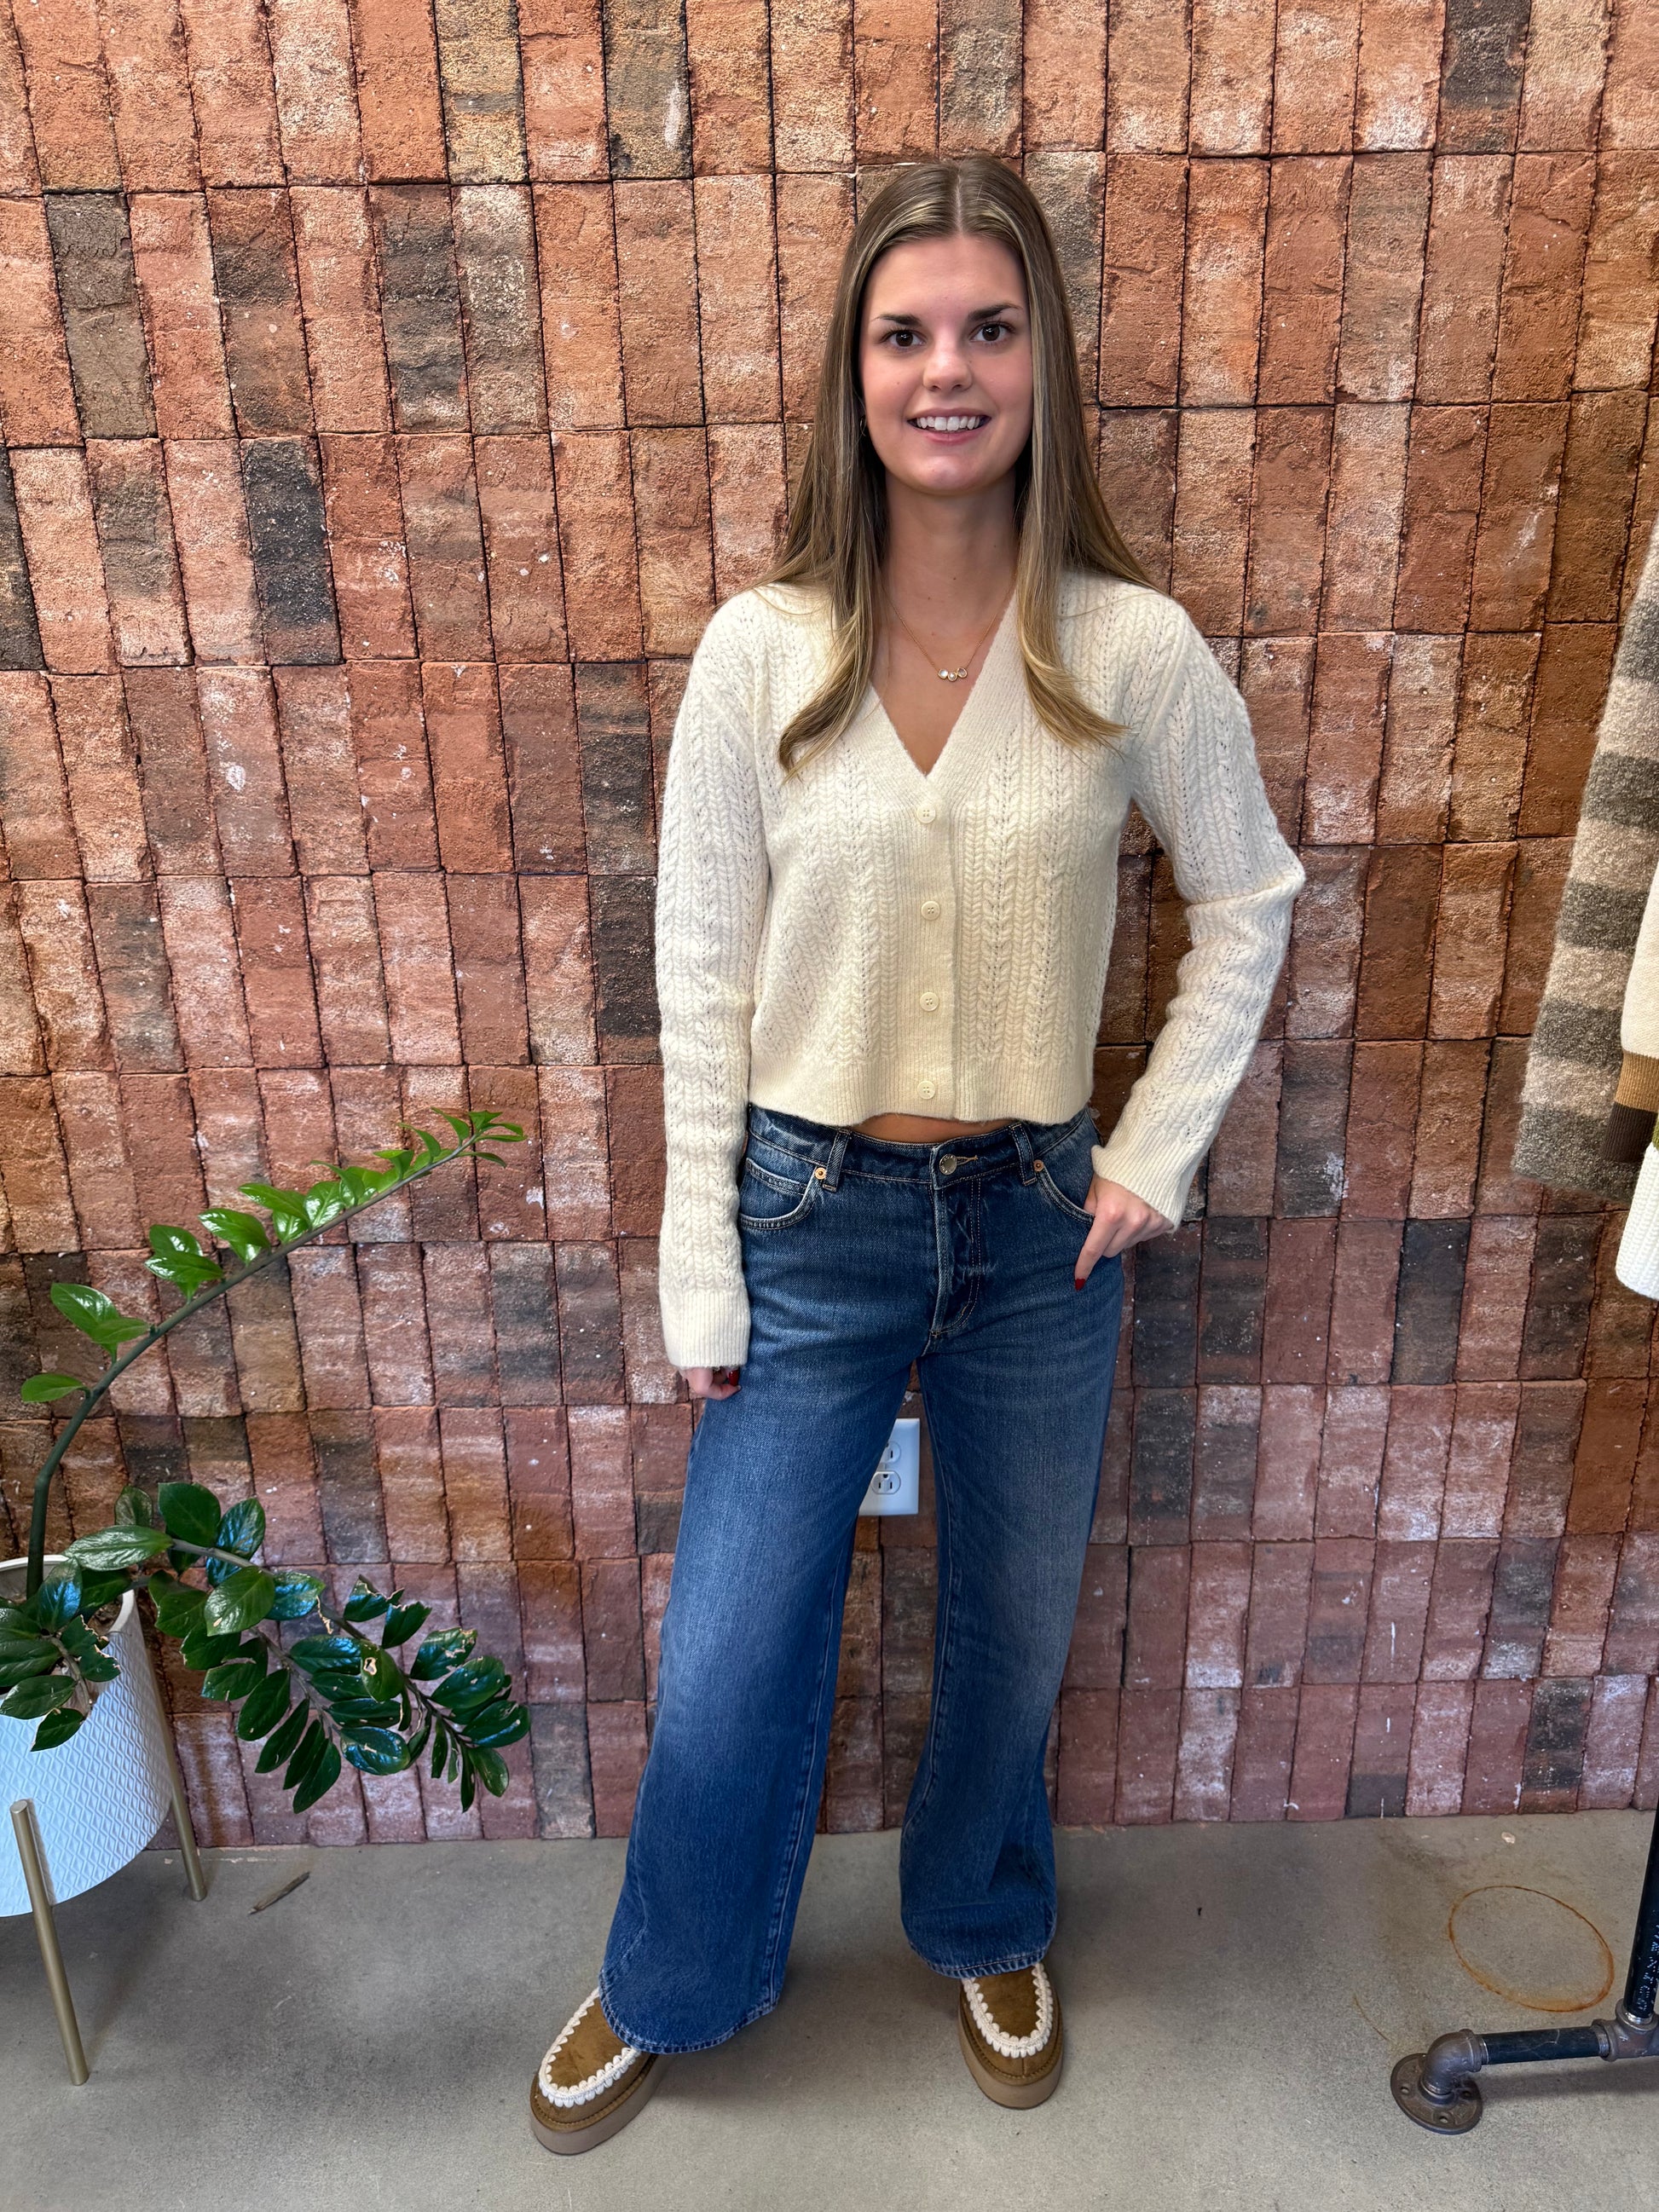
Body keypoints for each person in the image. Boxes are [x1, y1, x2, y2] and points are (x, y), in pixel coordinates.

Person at [529, 153, 1305, 2154]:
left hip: (1040, 1225)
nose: (944, 370)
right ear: (851, 370)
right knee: (730, 1650)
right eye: (903, 333)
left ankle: (981, 1913)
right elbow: (700, 974)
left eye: (986, 327)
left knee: (1013, 1622)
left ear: (1041, 360)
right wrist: (700, 1267)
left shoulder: (1129, 649)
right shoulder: (759, 653)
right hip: (808, 1213)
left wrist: (1153, 1149)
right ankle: (676, 1969)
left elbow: (1251, 895)